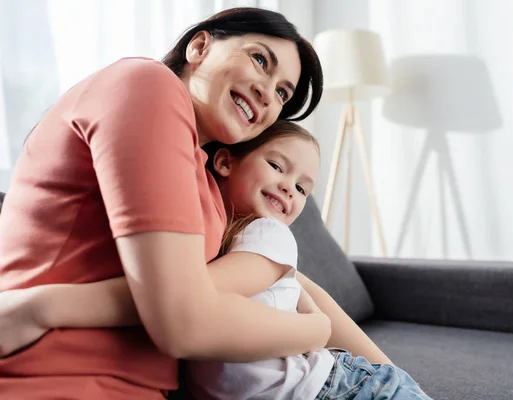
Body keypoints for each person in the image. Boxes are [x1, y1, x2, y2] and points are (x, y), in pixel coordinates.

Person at [0, 7, 329, 399]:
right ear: (200, 46)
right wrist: (317, 330)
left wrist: (387, 371)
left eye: (281, 93)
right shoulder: (146, 85)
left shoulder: (207, 180)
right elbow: (183, 322)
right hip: (55, 378)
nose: (266, 92)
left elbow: (276, 273)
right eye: (259, 60)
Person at [1, 121, 432, 400]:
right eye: (277, 166)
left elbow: (192, 295)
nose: (289, 189)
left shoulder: (270, 236)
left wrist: (47, 305)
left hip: (338, 390)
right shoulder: (215, 239)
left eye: (303, 188)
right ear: (225, 161)